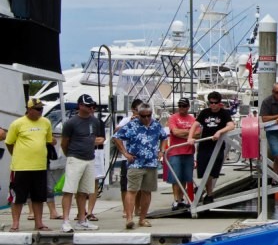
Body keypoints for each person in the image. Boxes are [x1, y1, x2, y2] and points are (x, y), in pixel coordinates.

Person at [113, 102, 167, 229]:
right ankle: (129, 218)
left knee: (147, 191)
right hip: (135, 163)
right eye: (143, 116)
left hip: (151, 163)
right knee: (132, 190)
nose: (146, 118)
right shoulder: (132, 125)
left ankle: (142, 219)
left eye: (149, 115)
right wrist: (125, 153)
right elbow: (116, 137)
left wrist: (161, 150)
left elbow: (164, 137)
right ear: (138, 115)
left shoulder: (156, 125)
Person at [5, 97, 53, 232]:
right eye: (37, 109)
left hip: (40, 166)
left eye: (41, 109)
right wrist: (17, 155)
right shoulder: (17, 123)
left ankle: (39, 223)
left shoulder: (46, 122)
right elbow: (9, 142)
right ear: (29, 109)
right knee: (17, 197)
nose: (40, 112)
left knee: (38, 197)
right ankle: (15, 224)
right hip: (21, 166)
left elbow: (48, 140)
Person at [59, 94, 104, 232]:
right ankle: (66, 221)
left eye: (92, 106)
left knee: (84, 191)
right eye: (88, 105)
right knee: (69, 190)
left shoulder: (95, 122)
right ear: (80, 106)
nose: (91, 108)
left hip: (89, 158)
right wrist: (70, 155)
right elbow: (64, 143)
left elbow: (100, 138)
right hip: (75, 158)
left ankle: (81, 220)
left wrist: (94, 141)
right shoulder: (71, 123)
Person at [188, 91, 236, 203]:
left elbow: (231, 125)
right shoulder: (204, 112)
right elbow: (195, 125)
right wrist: (190, 138)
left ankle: (200, 188)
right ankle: (209, 195)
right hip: (204, 145)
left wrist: (220, 131)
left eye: (215, 103)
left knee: (213, 170)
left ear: (219, 103)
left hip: (217, 146)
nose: (213, 105)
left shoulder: (224, 113)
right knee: (205, 171)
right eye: (211, 103)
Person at [166, 98, 196, 209]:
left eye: (184, 106)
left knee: (185, 177)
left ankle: (181, 198)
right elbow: (175, 132)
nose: (181, 108)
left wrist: (184, 134)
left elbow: (198, 134)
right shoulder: (173, 117)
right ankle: (176, 199)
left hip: (188, 152)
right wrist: (189, 134)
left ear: (188, 107)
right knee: (176, 177)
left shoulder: (192, 119)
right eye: (180, 106)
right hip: (175, 151)